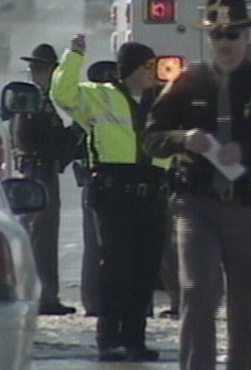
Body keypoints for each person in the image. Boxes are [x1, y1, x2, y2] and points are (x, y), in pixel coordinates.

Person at [142, 0, 251, 370]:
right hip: (196, 203)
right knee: (197, 293)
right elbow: (151, 139)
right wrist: (184, 140)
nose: (225, 43)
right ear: (208, 39)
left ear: (247, 38)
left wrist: (247, 152)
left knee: (246, 300)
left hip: (250, 205)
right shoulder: (186, 82)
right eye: (218, 35)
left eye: (233, 35)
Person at [51, 37, 172, 362]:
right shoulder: (99, 95)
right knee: (116, 268)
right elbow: (62, 95)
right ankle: (109, 339)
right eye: (148, 65)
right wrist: (73, 55)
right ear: (132, 68)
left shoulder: (161, 101)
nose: (153, 71)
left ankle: (134, 339)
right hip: (114, 190)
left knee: (144, 269)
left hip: (152, 191)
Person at [10, 43, 80, 316]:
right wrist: (71, 138)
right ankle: (42, 297)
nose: (37, 73)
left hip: (42, 169)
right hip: (38, 170)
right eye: (36, 69)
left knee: (44, 236)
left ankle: (46, 294)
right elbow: (34, 140)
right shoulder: (32, 101)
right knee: (41, 236)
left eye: (41, 68)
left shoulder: (40, 99)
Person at [77, 60, 119, 318]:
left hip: (115, 182)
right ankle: (95, 303)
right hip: (98, 182)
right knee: (97, 248)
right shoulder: (92, 108)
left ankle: (101, 303)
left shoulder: (120, 105)